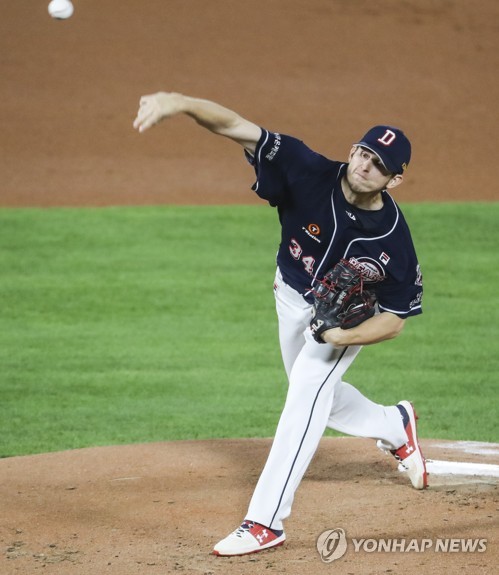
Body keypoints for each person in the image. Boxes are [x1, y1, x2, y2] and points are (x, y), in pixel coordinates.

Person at [133, 92, 428, 557]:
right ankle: (395, 424)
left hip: (340, 323)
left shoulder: (394, 241)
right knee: (319, 401)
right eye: (363, 152)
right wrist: (180, 102)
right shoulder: (306, 167)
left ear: (396, 179)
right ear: (353, 150)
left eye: (379, 163)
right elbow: (237, 127)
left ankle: (265, 521)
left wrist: (343, 336)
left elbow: (395, 320)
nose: (365, 165)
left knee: (304, 397)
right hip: (289, 297)